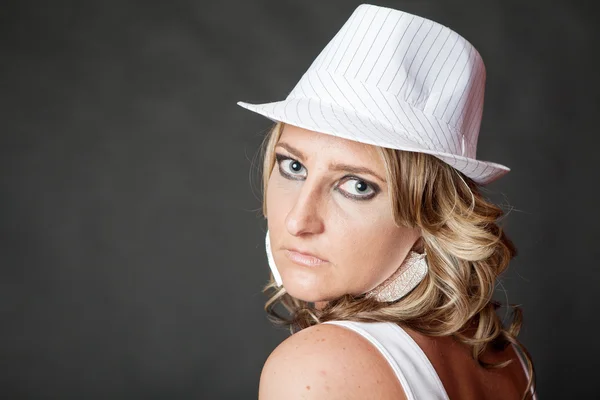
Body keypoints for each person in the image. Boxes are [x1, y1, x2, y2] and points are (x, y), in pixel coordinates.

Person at [237, 4, 537, 399]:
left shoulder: (316, 366)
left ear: (433, 217)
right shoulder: (506, 358)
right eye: (293, 166)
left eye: (357, 186)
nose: (298, 220)